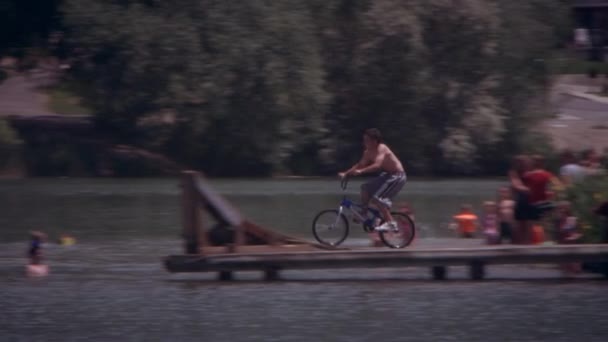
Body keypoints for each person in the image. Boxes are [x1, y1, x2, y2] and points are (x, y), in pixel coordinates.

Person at [338, 128, 407, 233]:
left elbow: (377, 165)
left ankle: (391, 223)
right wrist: (346, 173)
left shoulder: (382, 148)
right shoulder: (368, 152)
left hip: (397, 176)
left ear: (374, 141)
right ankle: (364, 213)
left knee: (377, 198)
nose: (364, 143)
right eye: (364, 140)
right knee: (365, 188)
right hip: (388, 175)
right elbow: (359, 165)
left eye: (367, 140)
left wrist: (361, 172)